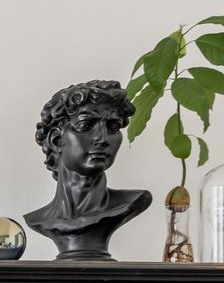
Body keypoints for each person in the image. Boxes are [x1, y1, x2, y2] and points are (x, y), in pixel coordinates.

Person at [24, 79, 152, 261]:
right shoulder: (39, 218)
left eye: (113, 127)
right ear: (56, 140)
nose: (102, 138)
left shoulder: (132, 202)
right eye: (86, 125)